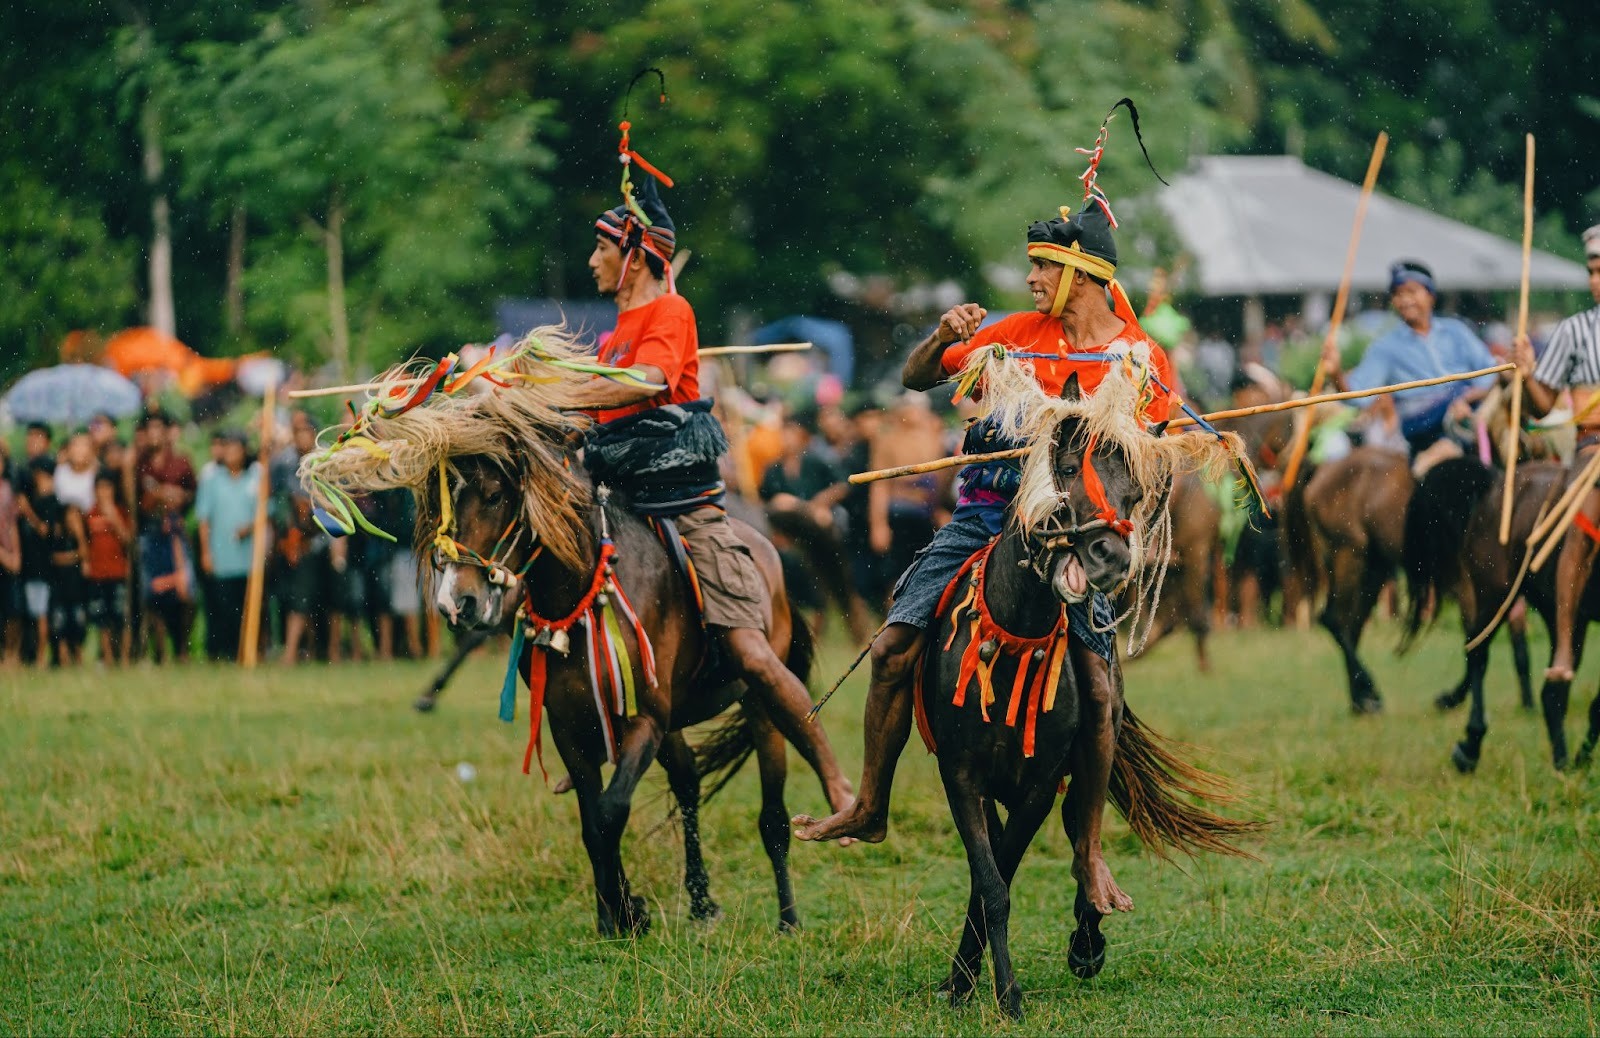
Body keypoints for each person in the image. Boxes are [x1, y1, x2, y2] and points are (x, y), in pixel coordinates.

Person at [791, 192, 1179, 919]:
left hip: (1067, 532)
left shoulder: (1138, 359)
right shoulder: (1010, 336)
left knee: (1098, 688)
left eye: (1043, 268)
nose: (1031, 280)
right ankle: (871, 803)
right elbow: (916, 379)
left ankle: (1088, 851)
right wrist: (942, 335)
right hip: (981, 519)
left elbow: (1147, 466)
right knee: (894, 645)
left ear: (1083, 276)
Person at [571, 171, 853, 816]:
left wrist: (574, 389)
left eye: (602, 250)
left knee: (752, 654)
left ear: (636, 255)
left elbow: (651, 381)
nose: (592, 262)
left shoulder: (671, 311)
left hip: (684, 507)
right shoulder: (610, 333)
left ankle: (836, 780)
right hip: (619, 504)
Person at [1512, 223, 1600, 682]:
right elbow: (1543, 404)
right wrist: (1528, 374)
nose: (1596, 280)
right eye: (1593, 271)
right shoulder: (1574, 331)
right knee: (1581, 522)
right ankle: (1565, 646)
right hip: (1593, 447)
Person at [1320, 260, 1506, 470]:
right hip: (1420, 423)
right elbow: (1355, 395)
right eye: (1398, 294)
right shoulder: (1386, 347)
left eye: (1412, 291)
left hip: (1469, 409)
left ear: (1431, 296)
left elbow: (1490, 373)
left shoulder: (1456, 331)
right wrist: (1335, 373)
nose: (1405, 300)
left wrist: (1465, 399)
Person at [135, 412, 197, 662]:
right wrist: (158, 496)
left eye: (159, 428)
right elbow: (137, 502)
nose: (154, 433)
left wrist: (180, 497)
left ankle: (182, 647)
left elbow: (193, 494)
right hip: (150, 532)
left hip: (175, 532)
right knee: (153, 593)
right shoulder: (139, 464)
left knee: (185, 592)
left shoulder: (181, 462)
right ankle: (159, 651)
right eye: (150, 429)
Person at [195, 431, 258, 662]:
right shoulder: (212, 479)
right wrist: (205, 552)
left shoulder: (255, 477)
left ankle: (245, 651)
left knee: (246, 607)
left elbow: (265, 511)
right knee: (222, 607)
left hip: (248, 556)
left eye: (235, 449)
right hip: (221, 554)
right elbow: (204, 519)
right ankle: (222, 652)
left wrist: (250, 527)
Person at [759, 408, 848, 529]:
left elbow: (842, 486)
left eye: (793, 433)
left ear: (804, 437)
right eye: (785, 433)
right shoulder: (773, 469)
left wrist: (817, 503)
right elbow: (765, 499)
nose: (787, 438)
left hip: (815, 519)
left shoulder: (815, 461)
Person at [82, 469, 134, 665]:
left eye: (107, 488)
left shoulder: (121, 511)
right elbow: (86, 541)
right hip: (98, 574)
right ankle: (108, 658)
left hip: (118, 571)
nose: (103, 492)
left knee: (121, 617)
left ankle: (125, 658)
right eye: (100, 488)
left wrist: (113, 517)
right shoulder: (91, 513)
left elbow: (127, 540)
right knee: (102, 620)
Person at [0, 451, 21, 666]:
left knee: (12, 608)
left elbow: (12, 524)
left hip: (7, 556)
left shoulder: (7, 489)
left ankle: (10, 654)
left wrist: (15, 554)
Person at [53, 431, 98, 513]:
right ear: (68, 450)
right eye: (75, 445)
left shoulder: (97, 473)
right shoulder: (60, 470)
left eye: (85, 445)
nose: (79, 450)